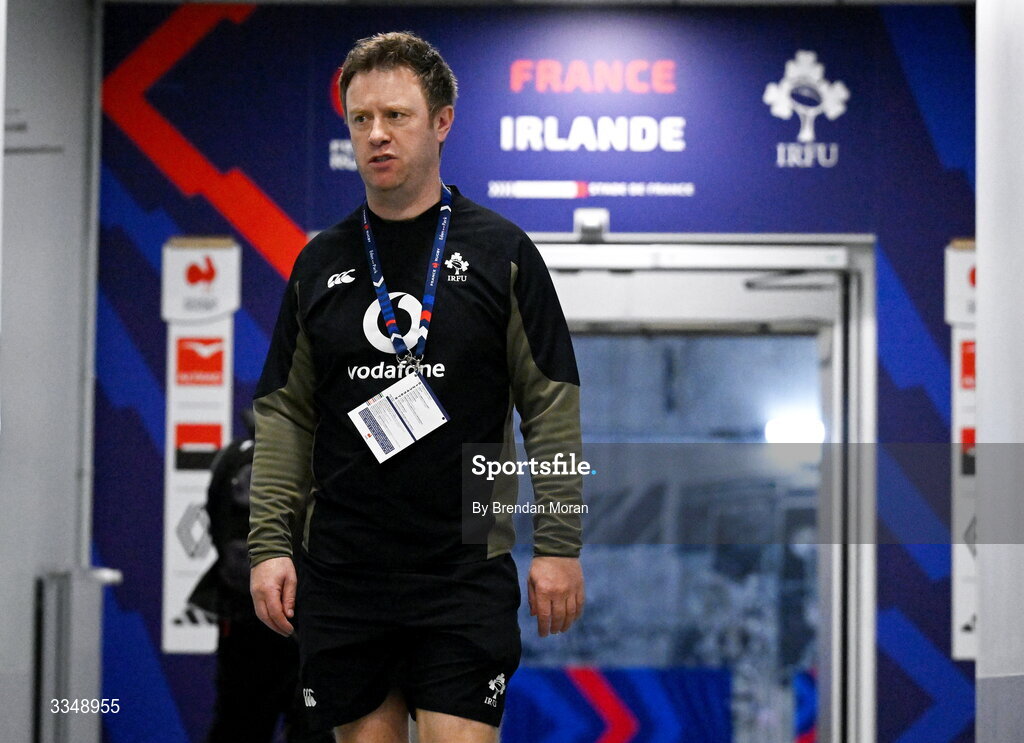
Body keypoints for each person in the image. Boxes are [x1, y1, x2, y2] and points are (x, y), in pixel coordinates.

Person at [248, 31, 585, 743]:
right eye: (360, 118)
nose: (376, 134)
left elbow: (550, 406)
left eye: (396, 115)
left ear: (441, 121)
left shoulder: (502, 254)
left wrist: (559, 542)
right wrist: (268, 544)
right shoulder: (320, 262)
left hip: (460, 568)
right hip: (343, 570)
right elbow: (284, 416)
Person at [189, 410, 331, 743]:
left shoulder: (233, 457)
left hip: (249, 619)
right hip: (303, 623)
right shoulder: (325, 458)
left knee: (239, 725)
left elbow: (218, 530)